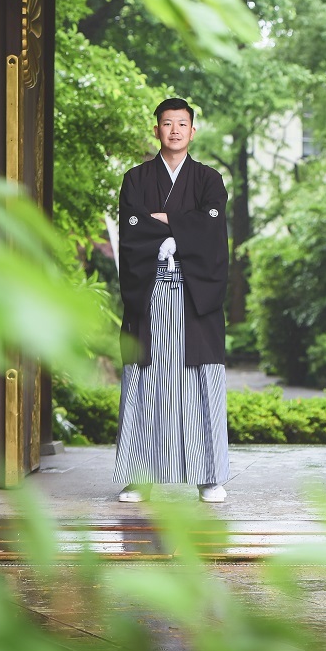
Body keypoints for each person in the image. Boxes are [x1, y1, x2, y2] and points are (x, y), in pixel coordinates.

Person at [112, 97, 230, 504]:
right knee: (144, 382)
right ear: (156, 129)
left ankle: (210, 476)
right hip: (151, 291)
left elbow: (214, 232)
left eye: (182, 123)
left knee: (199, 381)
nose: (175, 130)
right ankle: (136, 476)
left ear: (193, 131)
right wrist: (186, 225)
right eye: (167, 123)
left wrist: (162, 221)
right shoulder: (136, 179)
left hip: (196, 295)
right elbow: (132, 230)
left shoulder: (209, 179)